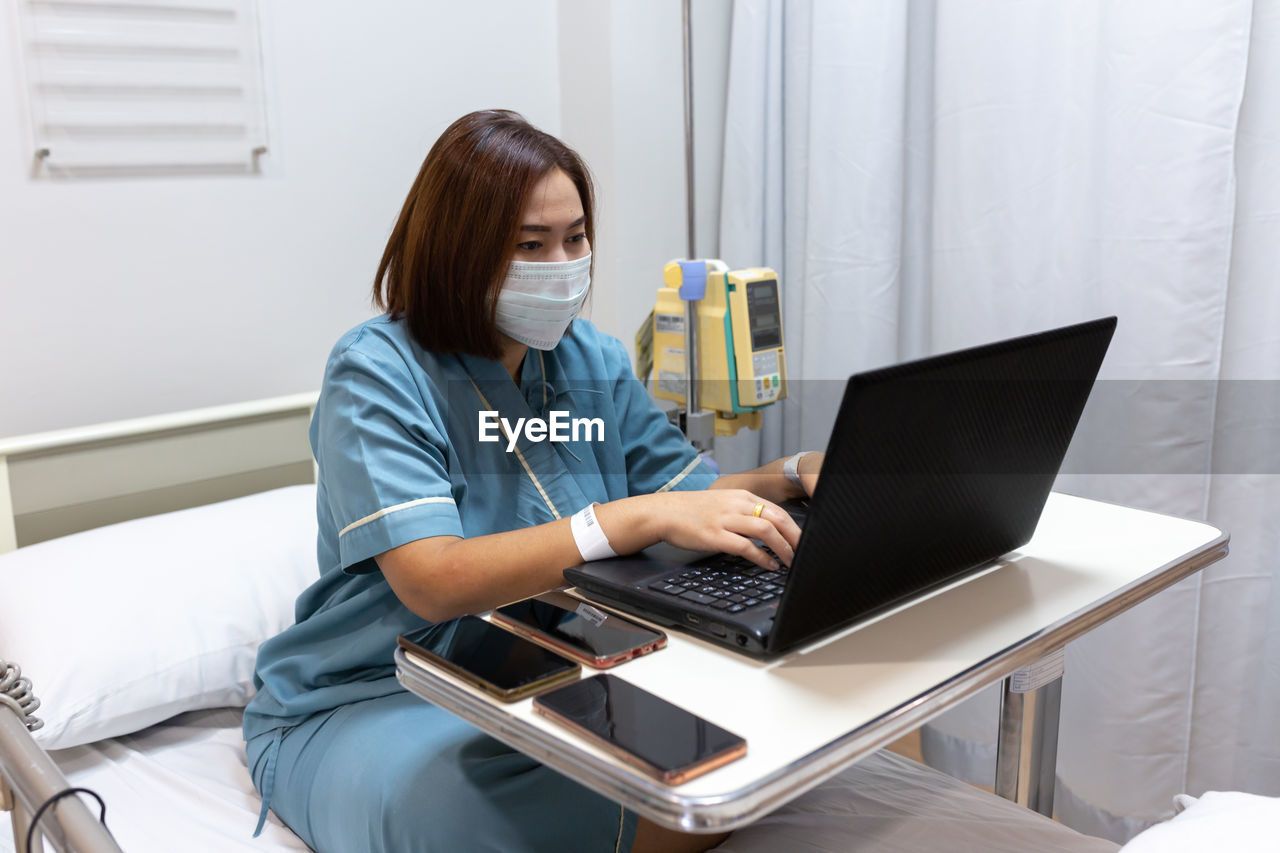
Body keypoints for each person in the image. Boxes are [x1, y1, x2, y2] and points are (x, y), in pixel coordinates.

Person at [243, 109, 823, 853]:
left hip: (544, 676)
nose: (563, 263)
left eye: (575, 237)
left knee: (739, 739)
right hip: (372, 692)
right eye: (529, 244)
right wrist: (623, 522)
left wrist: (795, 475)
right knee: (449, 811)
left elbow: (688, 500)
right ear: (458, 250)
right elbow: (434, 579)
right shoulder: (377, 373)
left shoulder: (592, 359)